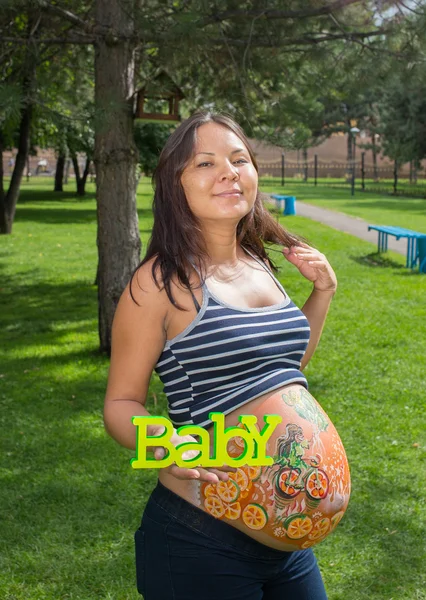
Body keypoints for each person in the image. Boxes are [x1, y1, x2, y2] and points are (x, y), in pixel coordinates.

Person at [103, 112, 350, 600]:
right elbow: (121, 404)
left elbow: (284, 374)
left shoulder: (261, 264)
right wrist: (168, 445)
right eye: (205, 163)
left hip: (289, 553)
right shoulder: (158, 284)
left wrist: (322, 293)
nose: (229, 172)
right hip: (201, 541)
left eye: (239, 159)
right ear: (176, 186)